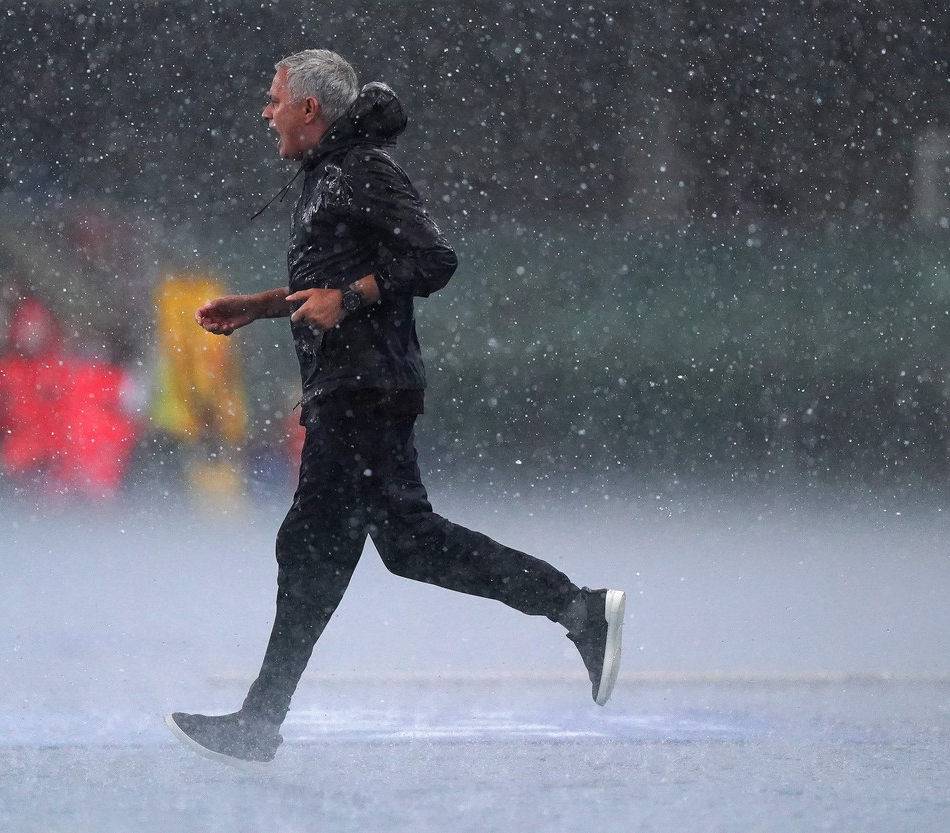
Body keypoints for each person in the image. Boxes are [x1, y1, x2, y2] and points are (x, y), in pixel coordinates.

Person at [166, 50, 624, 765]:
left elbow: (434, 260)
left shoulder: (362, 172)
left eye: (275, 98)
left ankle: (578, 607)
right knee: (377, 546)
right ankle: (574, 607)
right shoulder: (327, 176)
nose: (267, 112)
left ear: (310, 110)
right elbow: (326, 283)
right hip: (350, 392)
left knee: (350, 544)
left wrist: (351, 298)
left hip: (365, 392)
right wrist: (259, 308)